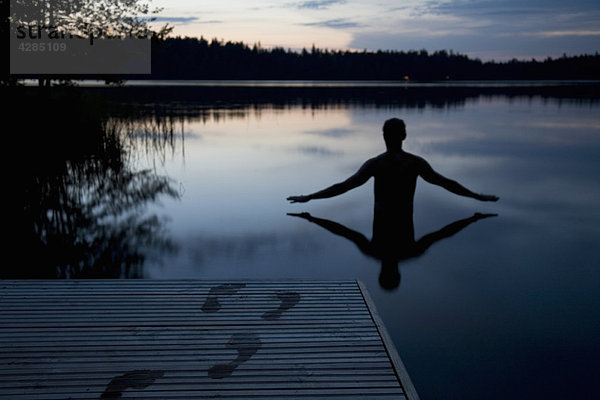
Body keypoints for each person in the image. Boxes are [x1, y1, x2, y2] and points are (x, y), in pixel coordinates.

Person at [287, 118, 499, 210]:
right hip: (405, 224)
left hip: (382, 222)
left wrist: (310, 197)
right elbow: (446, 183)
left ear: (384, 137)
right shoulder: (415, 163)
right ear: (404, 136)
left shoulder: (375, 164)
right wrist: (477, 197)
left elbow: (344, 186)